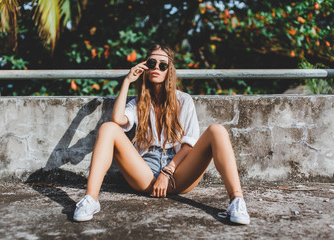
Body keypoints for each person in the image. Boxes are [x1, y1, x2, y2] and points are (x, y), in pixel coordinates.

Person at [73, 43, 250, 225]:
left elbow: (189, 145)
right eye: (151, 63)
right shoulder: (138, 103)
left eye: (162, 65)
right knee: (108, 127)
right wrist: (127, 81)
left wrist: (167, 173)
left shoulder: (184, 100)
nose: (156, 68)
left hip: (179, 172)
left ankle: (236, 201)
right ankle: (90, 200)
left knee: (217, 130)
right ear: (145, 67)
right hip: (145, 174)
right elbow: (118, 119)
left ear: (169, 71)